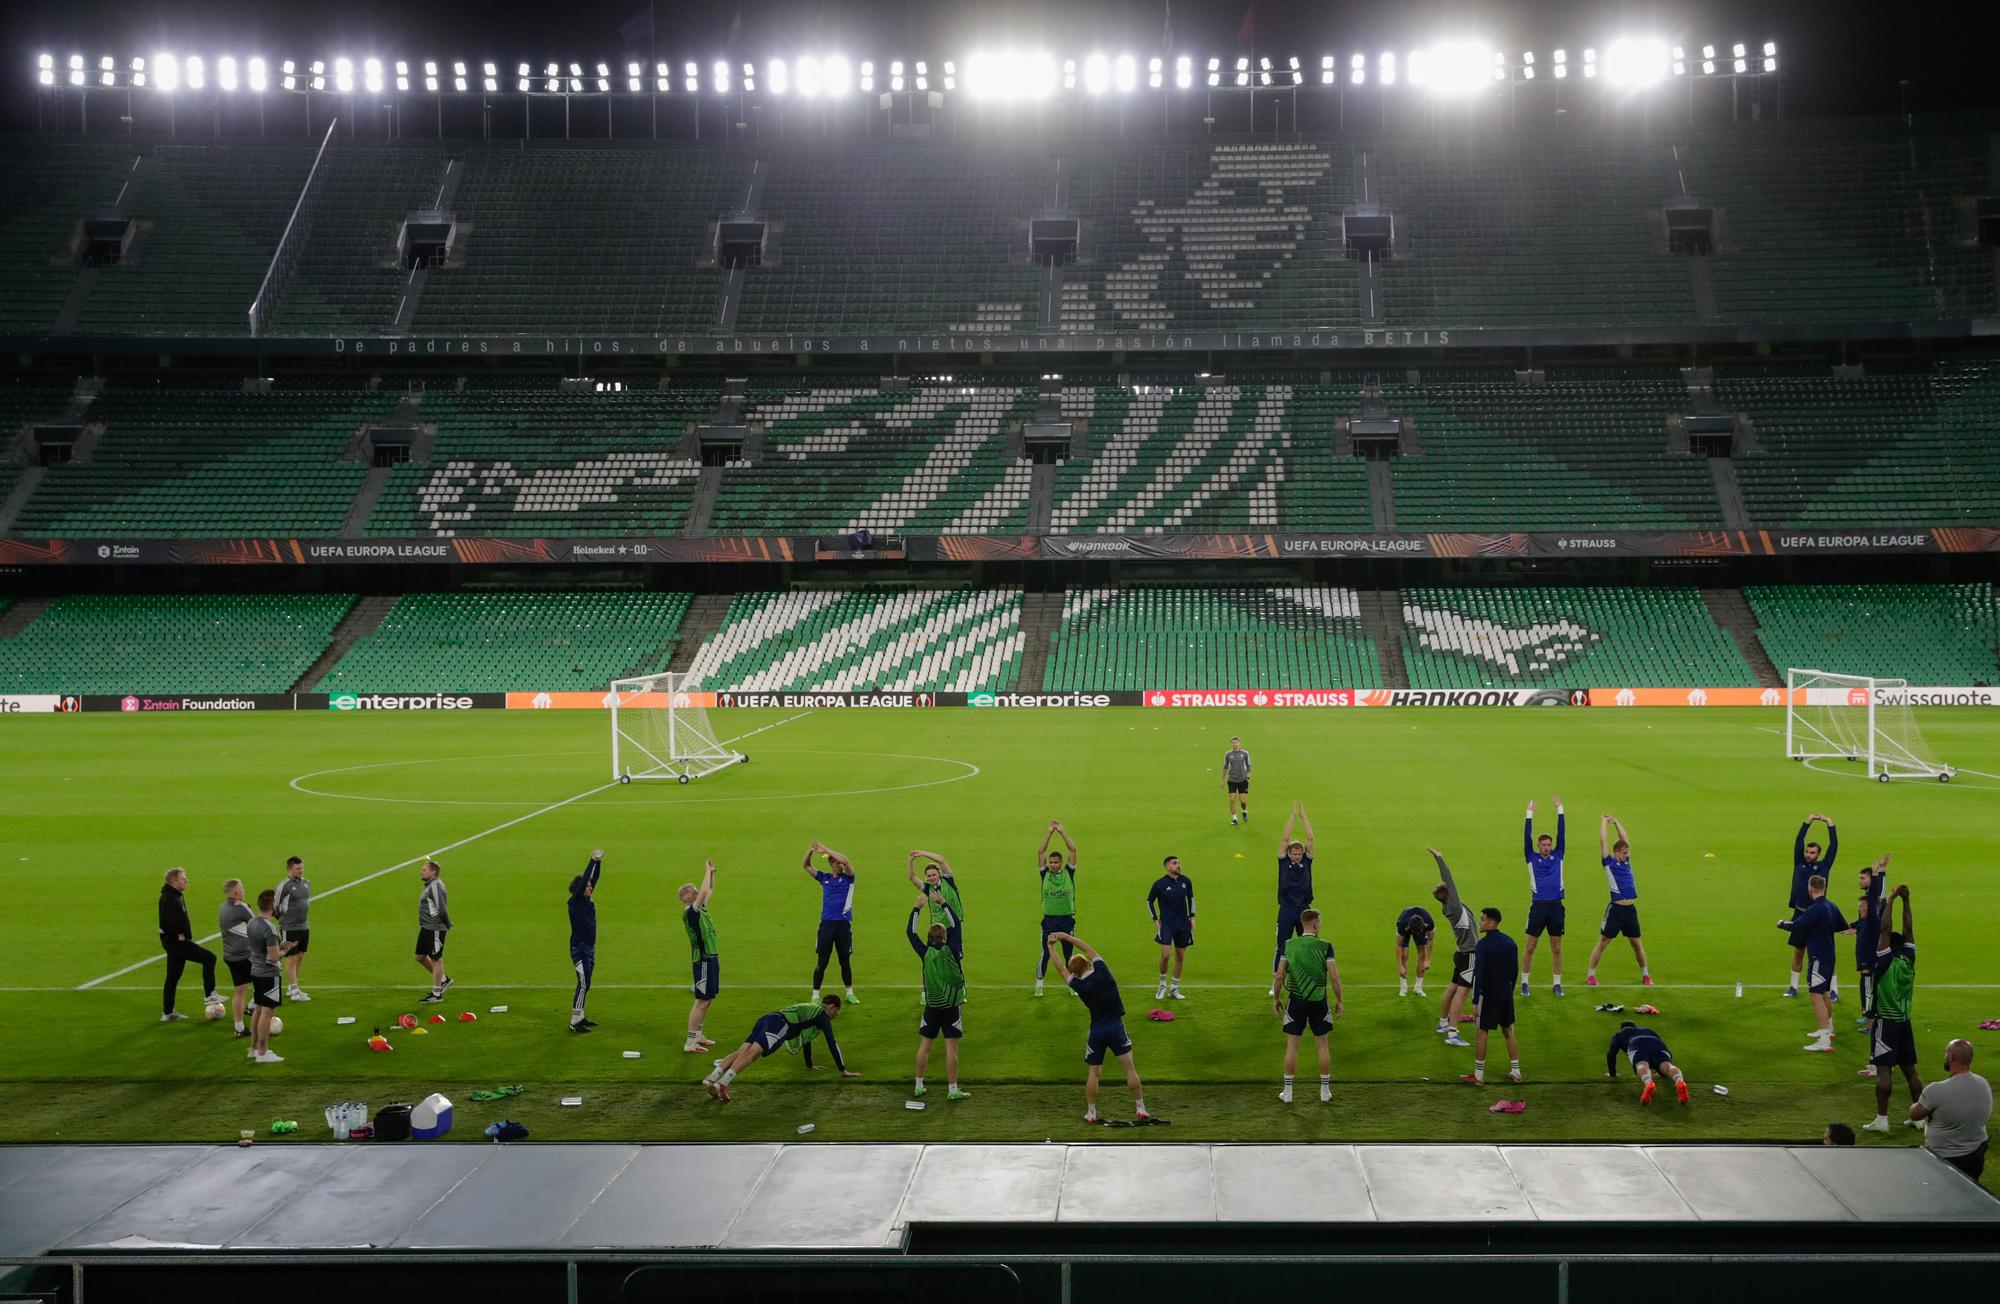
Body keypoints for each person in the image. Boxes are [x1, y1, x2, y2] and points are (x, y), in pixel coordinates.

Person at [1048, 931, 1150, 1124]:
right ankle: (1140, 1107)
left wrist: (1051, 945)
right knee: (1129, 1069)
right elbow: (1087, 948)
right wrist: (1066, 937)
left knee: (1094, 1072)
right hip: (1116, 1026)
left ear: (1075, 973)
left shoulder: (1079, 986)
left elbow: (1060, 968)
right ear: (1088, 964)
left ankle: (1091, 1112)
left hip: (1097, 1030)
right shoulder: (1103, 972)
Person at [701, 995, 858, 1101]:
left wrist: (809, 1065)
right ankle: (723, 1083)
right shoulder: (822, 1015)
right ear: (831, 1007)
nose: (837, 1014)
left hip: (767, 1018)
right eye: (837, 1010)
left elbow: (806, 1039)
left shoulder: (812, 1008)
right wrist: (843, 1069)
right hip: (780, 1024)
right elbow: (832, 1042)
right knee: (752, 1055)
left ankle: (712, 1078)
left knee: (741, 1051)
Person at [1862, 884, 1922, 1133]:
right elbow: (1908, 928)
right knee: (1911, 1073)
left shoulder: (1884, 961)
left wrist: (1893, 900)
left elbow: (1886, 928)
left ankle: (1882, 1120)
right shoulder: (1909, 960)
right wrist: (1907, 901)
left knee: (1884, 1072)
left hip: (1886, 1022)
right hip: (1905, 1022)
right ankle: (1919, 1117)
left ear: (1887, 945)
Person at [1272, 908, 1342, 1104]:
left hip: (1296, 1001)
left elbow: (1279, 976)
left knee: (1292, 1046)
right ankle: (1324, 1092)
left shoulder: (1289, 945)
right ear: (1314, 923)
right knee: (1322, 1046)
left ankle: (1287, 1093)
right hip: (1319, 1000)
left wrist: (1276, 998)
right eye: (1319, 921)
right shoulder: (1325, 946)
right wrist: (1339, 1000)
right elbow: (1334, 977)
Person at [908, 899, 969, 1101]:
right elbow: (956, 923)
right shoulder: (952, 950)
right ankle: (952, 1090)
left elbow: (910, 932)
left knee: (924, 1046)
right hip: (951, 1006)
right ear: (945, 936)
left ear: (929, 938)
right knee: (951, 1049)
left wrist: (917, 908)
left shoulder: (924, 952)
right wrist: (943, 904)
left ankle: (918, 1086)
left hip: (932, 1006)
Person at [1778, 874, 1847, 1051]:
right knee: (1823, 994)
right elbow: (1842, 926)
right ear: (1824, 888)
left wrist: (1782, 924)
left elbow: (1797, 926)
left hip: (1818, 958)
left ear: (1810, 889)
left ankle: (1824, 1040)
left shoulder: (1815, 909)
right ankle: (1828, 1028)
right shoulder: (1831, 906)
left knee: (1816, 996)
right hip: (1829, 956)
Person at [1584, 815, 1650, 986]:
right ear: (1617, 853)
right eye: (1625, 853)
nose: (1627, 855)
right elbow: (1603, 841)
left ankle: (1646, 975)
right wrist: (1604, 822)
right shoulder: (1609, 864)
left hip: (1630, 910)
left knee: (1636, 943)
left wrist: (1616, 822)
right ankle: (1591, 975)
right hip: (1616, 910)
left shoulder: (1626, 862)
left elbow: (1624, 838)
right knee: (1604, 942)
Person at [1912, 1040, 1991, 1180]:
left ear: (1951, 1057)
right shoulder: (1983, 1083)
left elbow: (1914, 1115)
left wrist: (1920, 1102)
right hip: (1975, 1157)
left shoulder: (1936, 1090)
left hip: (1945, 1160)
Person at [1464, 906, 1522, 1086]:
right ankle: (1516, 1071)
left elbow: (1478, 974)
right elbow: (1514, 971)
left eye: (1482, 919)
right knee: (1508, 1030)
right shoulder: (1510, 942)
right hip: (1505, 993)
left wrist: (1474, 1000)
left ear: (1491, 922)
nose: (1480, 922)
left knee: (1482, 1031)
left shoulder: (1483, 945)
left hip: (1488, 995)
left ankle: (1479, 1075)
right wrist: (1508, 991)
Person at [1784, 813, 1839, 999]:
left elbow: (1834, 847)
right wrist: (1807, 822)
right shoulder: (1799, 863)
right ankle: (1793, 987)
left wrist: (1830, 825)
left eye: (1812, 853)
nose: (1808, 855)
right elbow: (1799, 840)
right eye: (1807, 852)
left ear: (1818, 854)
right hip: (1800, 914)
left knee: (1825, 953)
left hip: (1819, 917)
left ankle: (1834, 990)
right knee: (1799, 951)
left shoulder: (1824, 867)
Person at [157, 867, 219, 1023]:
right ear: (173, 881)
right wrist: (178, 935)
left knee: (172, 977)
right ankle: (209, 995)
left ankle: (168, 1012)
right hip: (178, 944)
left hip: (175, 944)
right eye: (183, 878)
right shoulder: (169, 898)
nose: (186, 880)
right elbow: (166, 921)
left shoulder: (174, 895)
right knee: (209, 958)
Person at [1429, 849, 1477, 1048]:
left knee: (1452, 988)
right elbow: (1449, 880)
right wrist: (1439, 858)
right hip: (1469, 954)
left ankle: (1443, 1023)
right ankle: (1453, 1033)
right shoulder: (1454, 906)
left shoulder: (1448, 908)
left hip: (1461, 953)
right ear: (1448, 896)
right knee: (1462, 993)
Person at [1519, 796, 1566, 997]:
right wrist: (1529, 814)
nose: (1546, 847)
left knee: (1556, 947)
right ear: (1538, 846)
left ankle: (1557, 983)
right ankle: (1524, 981)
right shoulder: (1531, 857)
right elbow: (1526, 838)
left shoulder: (1559, 855)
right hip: (1538, 906)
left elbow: (1562, 833)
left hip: (1556, 906)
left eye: (1549, 844)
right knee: (1531, 946)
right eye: (1543, 845)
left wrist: (1560, 810)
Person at [1270, 802, 1316, 996]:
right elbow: (1285, 838)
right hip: (1287, 910)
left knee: (1307, 944)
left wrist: (1305, 818)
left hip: (1304, 910)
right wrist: (1292, 817)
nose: (1297, 856)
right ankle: (1275, 982)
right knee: (1282, 945)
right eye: (1294, 853)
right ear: (1289, 853)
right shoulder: (1283, 862)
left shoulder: (1307, 860)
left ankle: (1307, 979)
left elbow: (1311, 838)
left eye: (1299, 853)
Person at [244, 888, 295, 1064]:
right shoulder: (270, 928)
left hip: (256, 972)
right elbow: (273, 957)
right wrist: (285, 950)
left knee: (258, 1009)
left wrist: (278, 944)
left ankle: (253, 1049)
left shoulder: (252, 922)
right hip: (269, 975)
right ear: (273, 906)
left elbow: (261, 946)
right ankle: (263, 1052)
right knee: (267, 1012)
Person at [806, 841, 860, 1004]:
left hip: (843, 925)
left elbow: (846, 860)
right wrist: (810, 851)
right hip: (827, 925)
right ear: (831, 865)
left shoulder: (849, 878)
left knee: (845, 960)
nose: (839, 864)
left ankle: (849, 993)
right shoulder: (825, 878)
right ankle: (815, 995)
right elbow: (806, 865)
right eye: (835, 862)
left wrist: (826, 850)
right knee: (822, 961)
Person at [1033, 821, 1078, 996]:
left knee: (1069, 955)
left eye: (1055, 862)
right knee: (1046, 954)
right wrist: (1049, 833)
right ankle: (1039, 984)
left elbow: (1073, 850)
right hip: (1049, 921)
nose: (1052, 864)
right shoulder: (1044, 874)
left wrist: (1062, 831)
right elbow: (1041, 852)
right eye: (1051, 862)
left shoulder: (1069, 873)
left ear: (1061, 863)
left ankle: (1071, 984)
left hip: (1067, 920)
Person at [680, 859, 719, 1053]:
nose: (696, 891)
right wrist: (705, 870)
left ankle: (698, 1035)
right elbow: (703, 892)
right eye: (692, 891)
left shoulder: (700, 908)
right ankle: (690, 1043)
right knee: (701, 1001)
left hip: (711, 957)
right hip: (702, 959)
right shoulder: (691, 913)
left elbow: (708, 890)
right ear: (685, 897)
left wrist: (711, 874)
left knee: (709, 998)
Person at [1852, 853, 1890, 1043]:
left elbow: (1880, 894)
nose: (1860, 880)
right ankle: (1867, 1015)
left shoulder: (1873, 900)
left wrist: (1879, 873)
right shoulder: (1867, 899)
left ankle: (1870, 1019)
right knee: (1865, 983)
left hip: (1871, 945)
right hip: (1867, 940)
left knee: (1869, 983)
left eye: (1863, 878)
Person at [1147, 855, 1196, 1000]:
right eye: (1175, 863)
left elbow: (1191, 899)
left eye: (1179, 863)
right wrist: (1155, 920)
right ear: (1167, 867)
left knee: (1180, 956)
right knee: (1166, 955)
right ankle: (1162, 985)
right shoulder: (1160, 884)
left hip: (1183, 924)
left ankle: (1174, 989)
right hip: (1167, 924)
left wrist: (1192, 917)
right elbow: (1149, 902)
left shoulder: (1186, 881)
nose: (1178, 865)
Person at [1606, 1020, 1688, 1104]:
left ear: (1622, 1028)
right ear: (1635, 1027)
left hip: (1637, 1043)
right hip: (1656, 1043)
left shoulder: (1619, 1034)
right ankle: (1679, 1081)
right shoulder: (1647, 1030)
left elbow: (1611, 1054)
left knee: (1641, 1064)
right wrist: (1664, 1065)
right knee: (1667, 1065)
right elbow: (1664, 1046)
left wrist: (1612, 1073)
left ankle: (1648, 1082)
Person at [567, 849, 603, 1033]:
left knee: (586, 983)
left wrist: (598, 863)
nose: (590, 887)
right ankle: (574, 1022)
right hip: (579, 949)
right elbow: (585, 882)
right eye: (587, 885)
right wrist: (591, 860)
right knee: (583, 983)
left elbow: (594, 878)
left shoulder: (586, 900)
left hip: (589, 948)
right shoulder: (575, 902)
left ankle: (580, 1016)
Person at [217, 878, 255, 1037]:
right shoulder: (241, 908)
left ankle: (239, 1028)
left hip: (230, 955)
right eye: (242, 888)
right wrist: (247, 908)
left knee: (240, 991)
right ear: (236, 892)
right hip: (245, 955)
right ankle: (254, 1009)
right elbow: (257, 925)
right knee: (267, 980)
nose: (244, 891)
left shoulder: (222, 908)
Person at [415, 859, 453, 1005]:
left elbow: (441, 908)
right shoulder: (430, 885)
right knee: (419, 957)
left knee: (436, 959)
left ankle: (437, 994)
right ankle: (444, 980)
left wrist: (447, 924)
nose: (422, 871)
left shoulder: (436, 886)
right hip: (426, 927)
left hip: (435, 928)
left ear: (433, 872)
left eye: (424, 869)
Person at [274, 856, 312, 1002]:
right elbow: (275, 906)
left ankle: (293, 988)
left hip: (304, 926)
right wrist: (283, 920)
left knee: (300, 957)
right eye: (298, 868)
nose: (301, 870)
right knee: (291, 958)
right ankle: (294, 990)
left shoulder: (306, 883)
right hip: (289, 927)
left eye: (302, 867)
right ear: (290, 869)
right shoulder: (284, 885)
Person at [1395, 905, 1434, 997]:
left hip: (1420, 926)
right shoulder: (1403, 923)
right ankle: (1403, 988)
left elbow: (1431, 939)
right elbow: (1398, 945)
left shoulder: (1428, 922)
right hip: (1405, 925)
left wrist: (1427, 960)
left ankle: (1418, 988)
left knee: (1422, 954)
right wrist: (1400, 966)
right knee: (1404, 955)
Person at [1222, 735, 1252, 826]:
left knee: (1243, 801)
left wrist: (1248, 776)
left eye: (1236, 742)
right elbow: (1225, 767)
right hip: (1232, 780)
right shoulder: (1228, 754)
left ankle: (1244, 811)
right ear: (1232, 744)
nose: (1235, 744)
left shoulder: (1245, 753)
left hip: (1242, 780)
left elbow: (1248, 766)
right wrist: (1222, 780)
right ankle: (1235, 818)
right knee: (1232, 799)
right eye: (1233, 742)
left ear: (1239, 743)